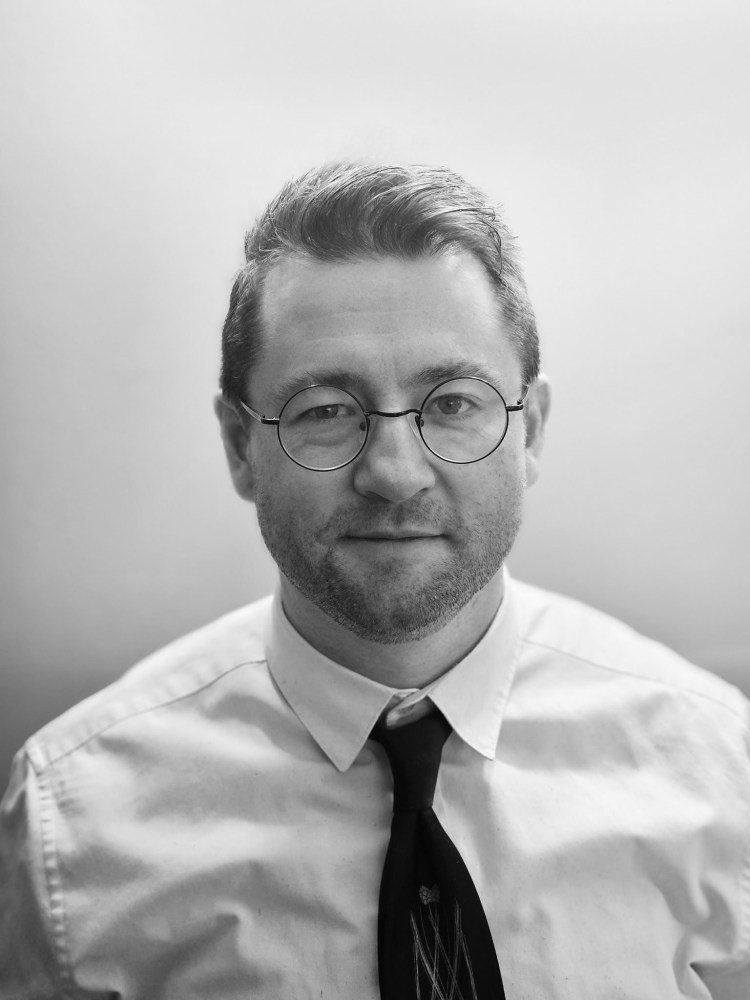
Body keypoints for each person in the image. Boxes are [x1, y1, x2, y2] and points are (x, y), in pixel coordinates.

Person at [1, 162, 748, 999]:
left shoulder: (721, 769)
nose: (395, 473)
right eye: (327, 409)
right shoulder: (75, 820)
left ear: (529, 431)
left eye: (452, 403)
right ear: (241, 448)